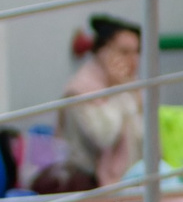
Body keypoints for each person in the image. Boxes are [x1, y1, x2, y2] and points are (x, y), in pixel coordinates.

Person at [41, 14, 142, 191]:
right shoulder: (81, 90)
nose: (133, 61)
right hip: (90, 184)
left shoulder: (131, 86)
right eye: (124, 52)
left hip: (132, 181)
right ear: (102, 52)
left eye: (137, 52)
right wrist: (119, 93)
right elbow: (104, 137)